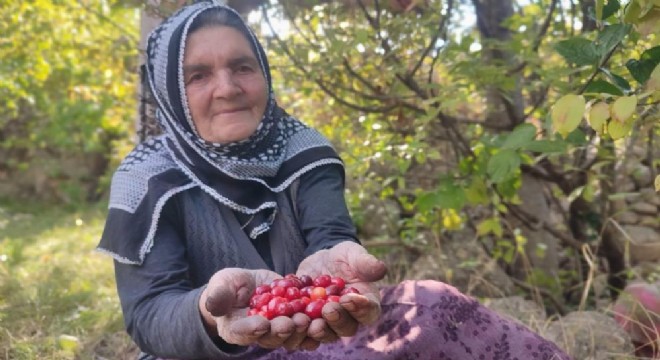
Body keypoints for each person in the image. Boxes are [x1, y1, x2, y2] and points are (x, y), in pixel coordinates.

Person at [97, 1, 572, 359]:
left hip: (314, 343)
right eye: (197, 76)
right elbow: (148, 313)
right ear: (169, 93)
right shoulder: (145, 179)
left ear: (262, 71)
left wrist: (333, 266)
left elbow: (330, 241)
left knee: (431, 304)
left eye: (242, 66)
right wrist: (208, 310)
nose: (227, 88)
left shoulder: (304, 151)